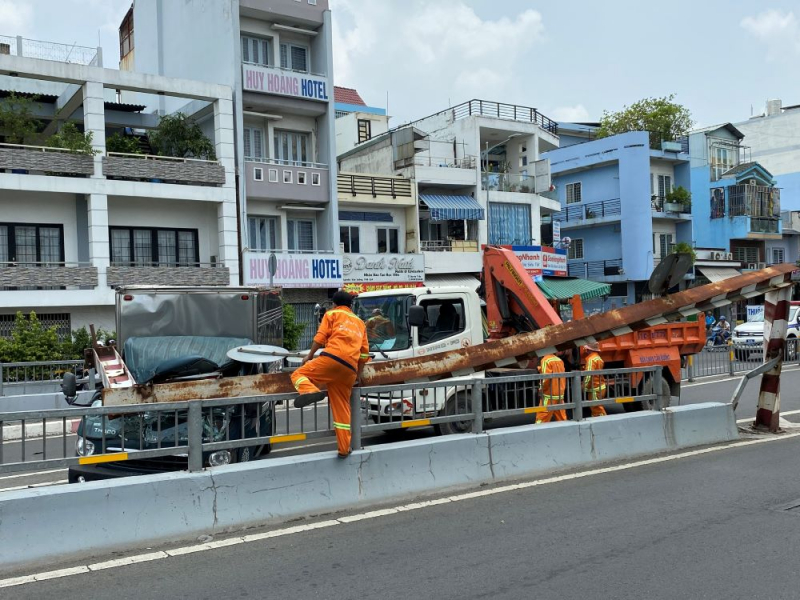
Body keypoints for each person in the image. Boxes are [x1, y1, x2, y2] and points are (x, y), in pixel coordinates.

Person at [290, 290, 370, 458]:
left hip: (332, 359)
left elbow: (320, 337)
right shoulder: (360, 323)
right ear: (350, 305)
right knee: (341, 408)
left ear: (334, 304)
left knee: (297, 375)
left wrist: (309, 356)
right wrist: (358, 373)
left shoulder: (332, 314)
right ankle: (344, 448)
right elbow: (364, 354)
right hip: (350, 369)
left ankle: (310, 391)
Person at [535, 352, 568, 423]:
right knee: (562, 420)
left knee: (541, 419)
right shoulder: (559, 360)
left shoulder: (545, 360)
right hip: (559, 395)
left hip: (549, 396)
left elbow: (545, 379)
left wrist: (541, 389)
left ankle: (539, 430)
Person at [581, 345, 607, 418]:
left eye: (586, 349)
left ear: (589, 349)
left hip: (594, 388)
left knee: (597, 409)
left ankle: (603, 421)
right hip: (600, 386)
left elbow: (588, 375)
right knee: (597, 408)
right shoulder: (598, 358)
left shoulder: (591, 359)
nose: (585, 350)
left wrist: (584, 386)